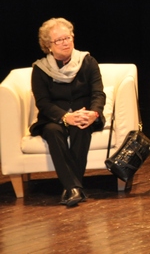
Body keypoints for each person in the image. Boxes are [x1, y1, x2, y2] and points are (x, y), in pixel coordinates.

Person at [30, 17, 106, 208]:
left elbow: (98, 93)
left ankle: (72, 188)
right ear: (48, 45)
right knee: (53, 132)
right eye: (59, 40)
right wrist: (65, 117)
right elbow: (43, 103)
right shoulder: (40, 69)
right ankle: (75, 187)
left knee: (81, 128)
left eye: (68, 38)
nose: (65, 43)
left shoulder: (87, 61)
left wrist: (93, 114)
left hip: (84, 114)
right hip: (55, 117)